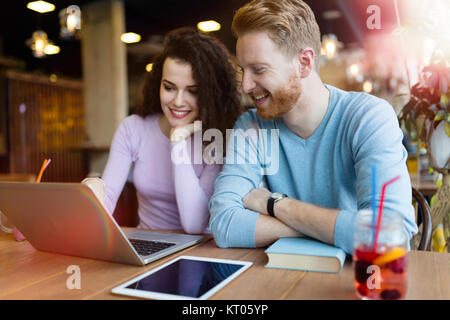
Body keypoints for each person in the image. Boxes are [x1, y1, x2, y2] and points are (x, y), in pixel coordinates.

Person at [208, 0, 418, 254]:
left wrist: (276, 205)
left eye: (259, 70)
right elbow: (224, 225)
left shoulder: (368, 117)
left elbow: (390, 238)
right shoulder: (250, 126)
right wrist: (330, 230)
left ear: (305, 63)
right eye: (244, 71)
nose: (246, 86)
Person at [84, 28, 243, 234]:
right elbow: (108, 199)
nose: (177, 101)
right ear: (158, 83)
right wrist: (93, 190)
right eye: (169, 87)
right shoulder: (134, 128)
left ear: (210, 93)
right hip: (147, 247)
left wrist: (178, 141)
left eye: (192, 91)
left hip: (199, 252)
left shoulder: (217, 136)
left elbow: (193, 224)